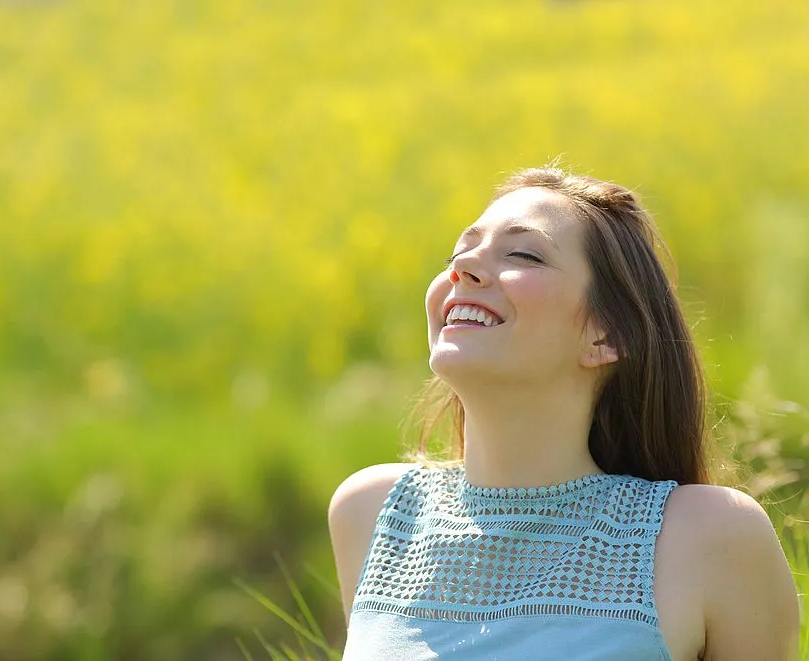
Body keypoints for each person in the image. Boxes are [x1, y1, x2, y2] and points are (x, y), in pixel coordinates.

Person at [328, 167, 802, 660]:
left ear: (606, 336)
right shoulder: (373, 513)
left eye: (523, 254)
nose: (461, 269)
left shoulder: (711, 534)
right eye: (458, 252)